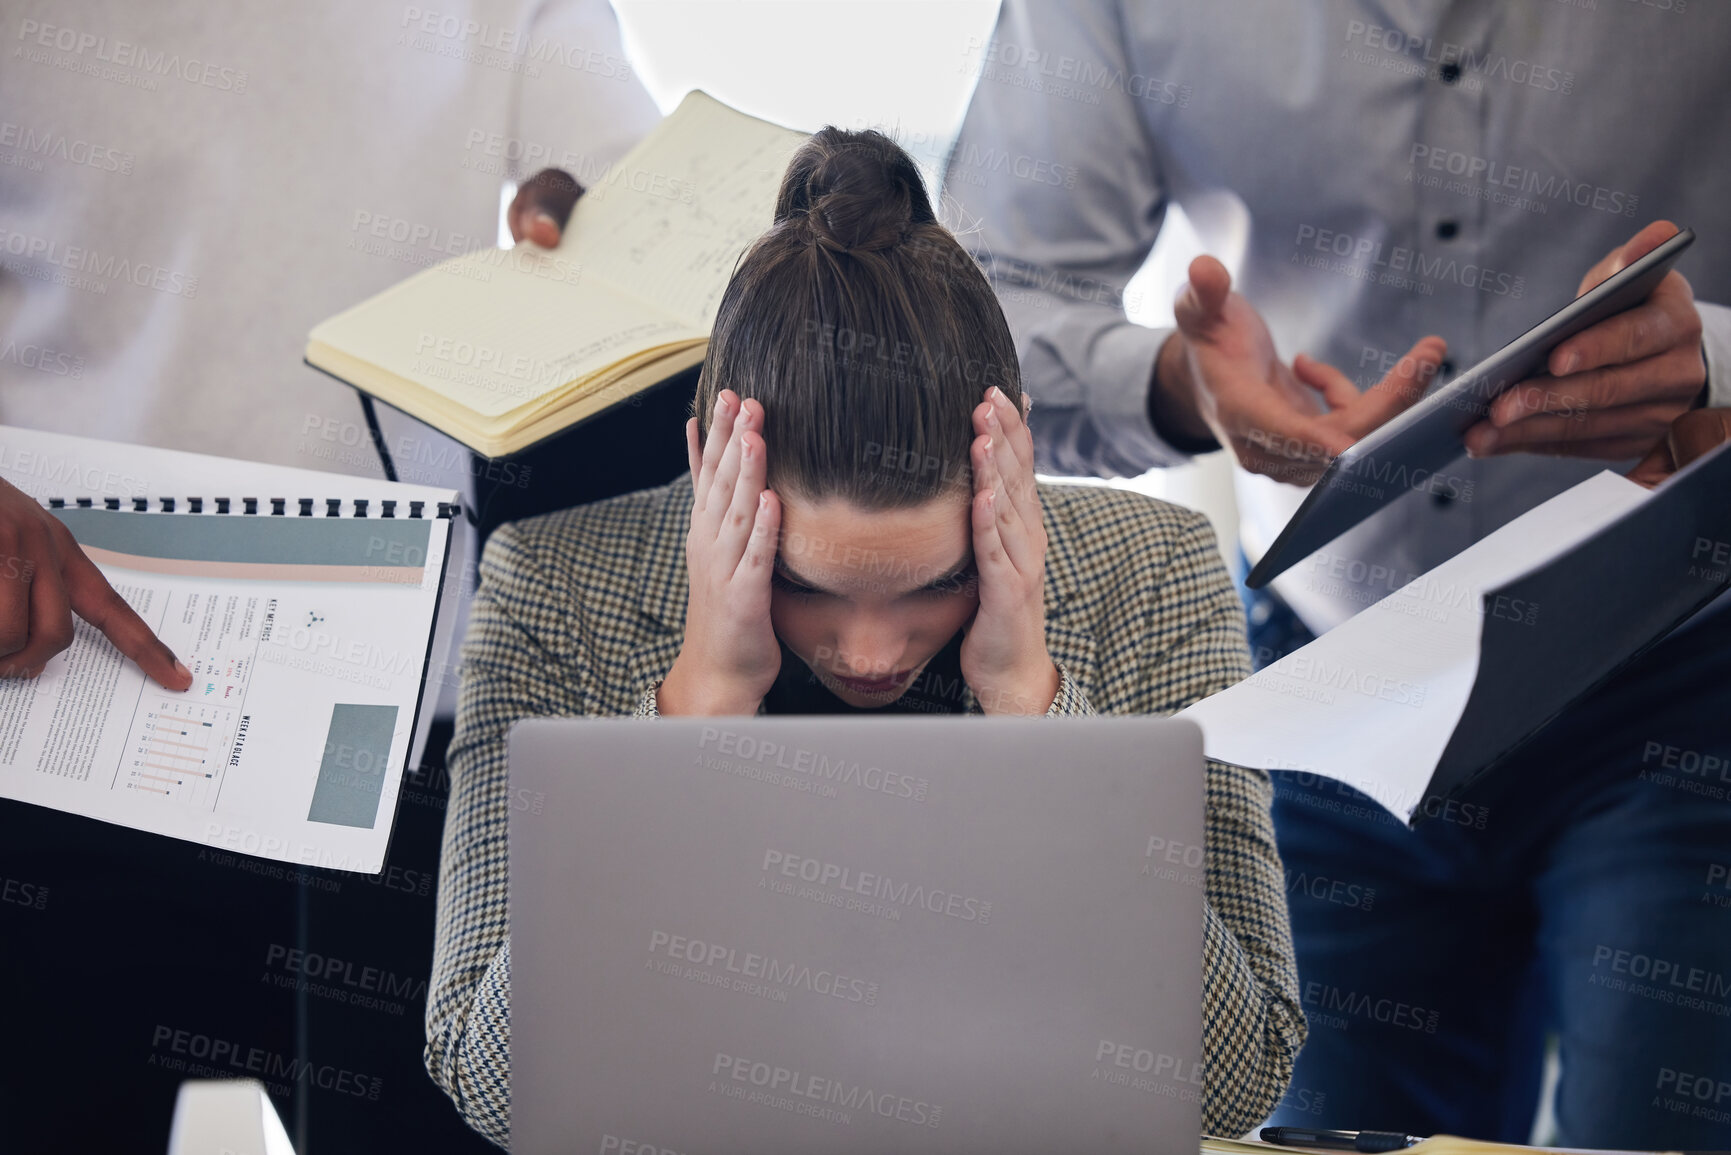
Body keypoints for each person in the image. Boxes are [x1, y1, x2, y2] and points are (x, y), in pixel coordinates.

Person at [942, 2, 1731, 1146]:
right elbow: (978, 317)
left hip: (1675, 683)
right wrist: (1176, 385)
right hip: (1326, 699)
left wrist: (1714, 353)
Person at [426, 128, 1307, 1145]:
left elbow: (1238, 1081)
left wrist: (1037, 705)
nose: (872, 654)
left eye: (934, 586)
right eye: (805, 587)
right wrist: (695, 705)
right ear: (715, 463)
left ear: (1006, 463)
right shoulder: (555, 587)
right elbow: (491, 1085)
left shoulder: (1152, 576)